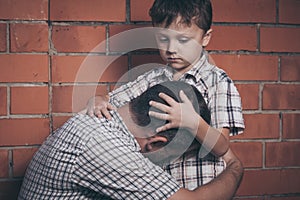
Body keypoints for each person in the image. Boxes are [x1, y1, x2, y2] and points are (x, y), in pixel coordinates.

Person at [86, 0, 245, 189]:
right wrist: (98, 100)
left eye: (183, 40)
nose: (171, 49)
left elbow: (221, 147)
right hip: (161, 188)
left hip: (201, 186)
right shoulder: (152, 78)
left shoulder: (217, 82)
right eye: (163, 39)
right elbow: (112, 101)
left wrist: (193, 122)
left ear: (205, 38)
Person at [18, 81, 243, 200]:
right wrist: (234, 168)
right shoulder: (108, 147)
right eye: (176, 155)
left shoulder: (101, 123)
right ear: (156, 143)